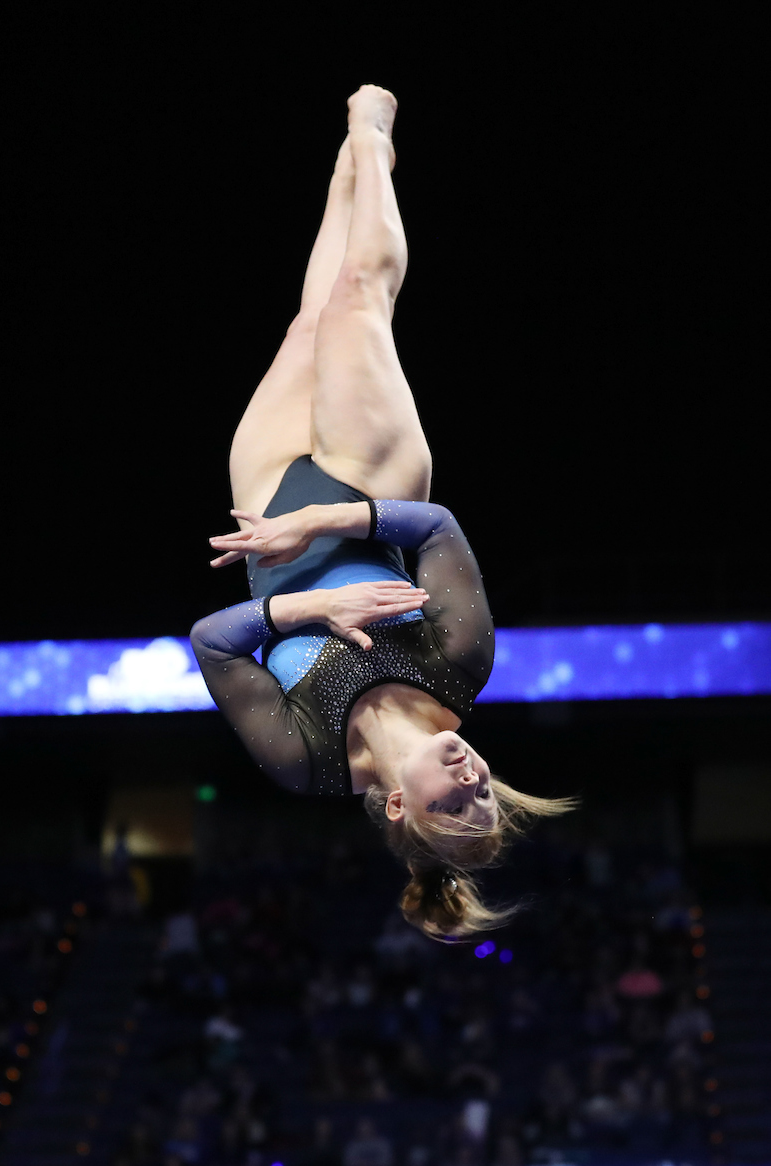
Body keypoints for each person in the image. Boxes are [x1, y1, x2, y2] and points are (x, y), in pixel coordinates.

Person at [191, 85, 573, 940]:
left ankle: (351, 166)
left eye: (457, 799)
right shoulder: (460, 668)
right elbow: (438, 530)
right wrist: (329, 526)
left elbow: (212, 644)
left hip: (265, 502)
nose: (475, 777)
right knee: (361, 297)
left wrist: (306, 605)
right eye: (487, 790)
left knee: (308, 323)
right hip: (371, 485)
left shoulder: (308, 760)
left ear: (400, 804)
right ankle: (373, 133)